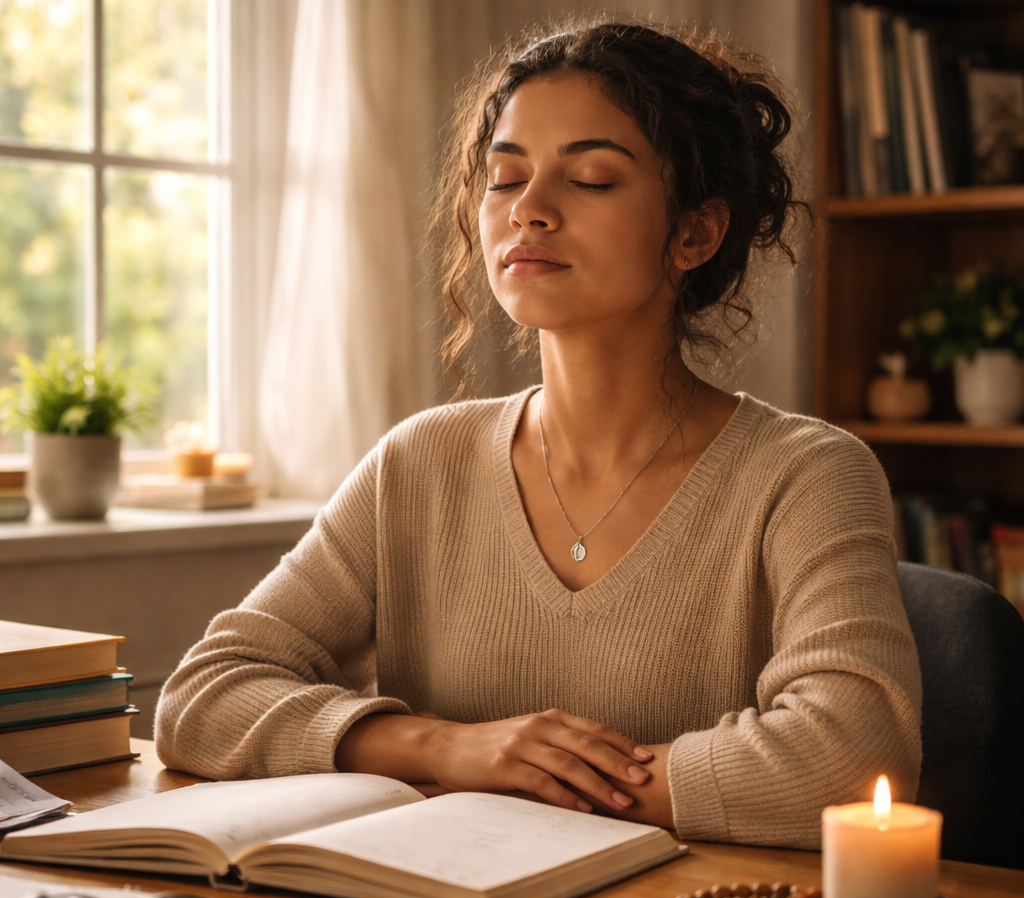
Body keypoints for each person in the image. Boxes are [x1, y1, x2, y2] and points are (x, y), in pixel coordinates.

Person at [155, 19, 921, 850]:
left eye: (590, 179)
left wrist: (547, 780)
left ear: (696, 232)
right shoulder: (419, 463)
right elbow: (201, 696)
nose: (530, 209)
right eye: (505, 178)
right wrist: (453, 749)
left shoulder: (806, 474)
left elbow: (851, 756)